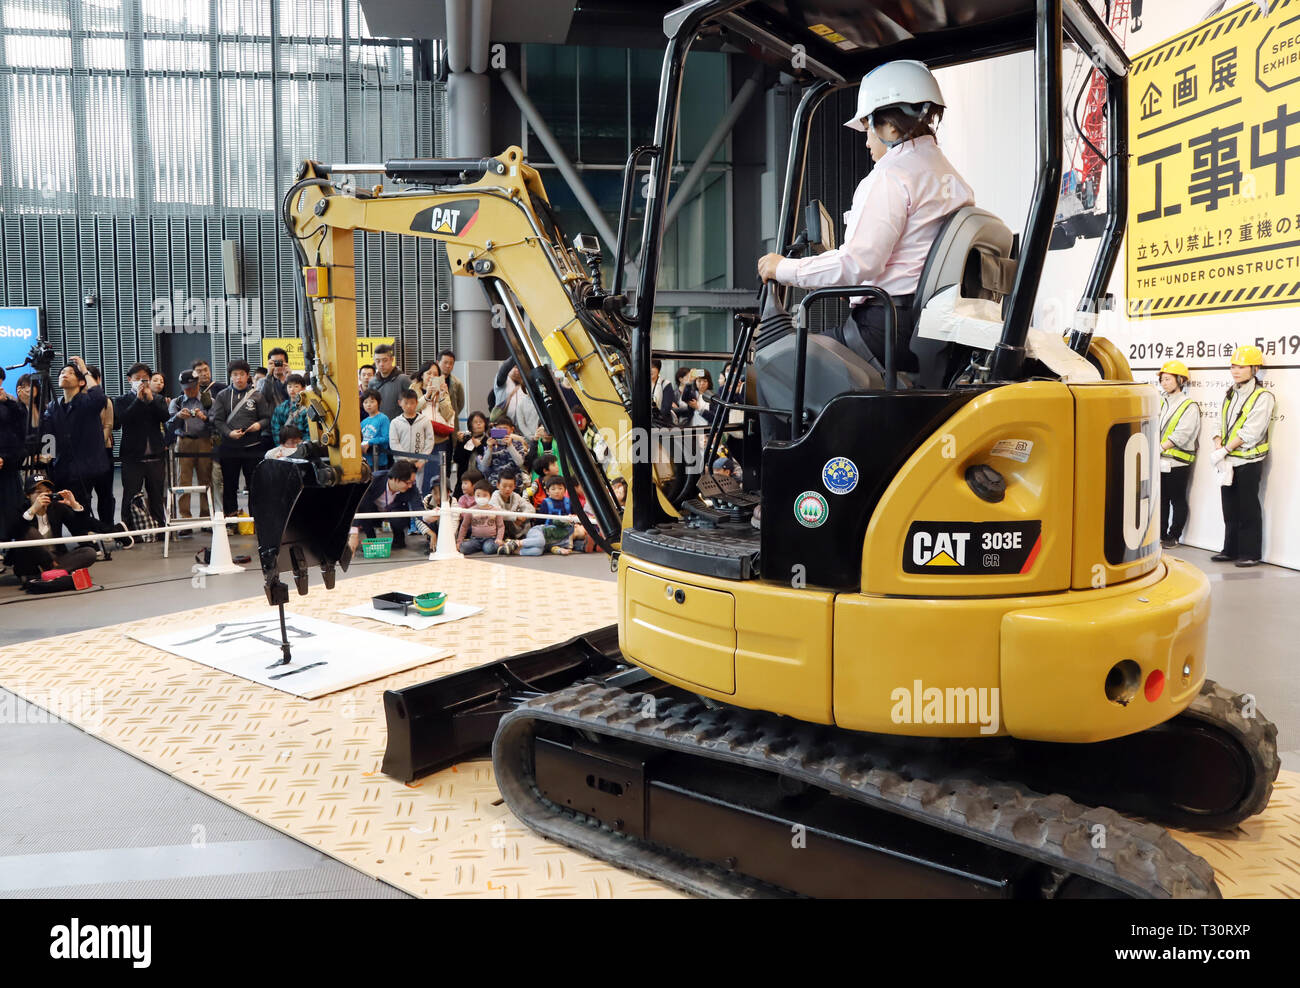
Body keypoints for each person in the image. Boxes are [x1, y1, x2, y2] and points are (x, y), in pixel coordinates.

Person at [758, 60, 974, 386]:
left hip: (885, 331)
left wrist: (782, 269)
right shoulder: (954, 182)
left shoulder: (891, 177)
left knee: (773, 368)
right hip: (929, 333)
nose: (866, 141)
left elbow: (859, 264)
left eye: (869, 128)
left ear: (889, 127)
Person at [1210, 345, 1275, 567]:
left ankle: (1250, 553)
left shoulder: (1262, 396)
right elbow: (1220, 421)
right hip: (1227, 461)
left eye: (1241, 366)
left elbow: (1251, 431)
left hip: (1249, 461)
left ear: (1254, 369)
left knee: (1248, 507)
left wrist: (1225, 449)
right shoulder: (1231, 392)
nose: (1235, 370)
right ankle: (1231, 550)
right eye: (1233, 366)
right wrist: (1218, 441)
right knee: (1229, 507)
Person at [39, 357, 111, 520]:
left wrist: (84, 369)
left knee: (81, 508)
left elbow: (99, 398)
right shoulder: (53, 406)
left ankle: (94, 537)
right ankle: (91, 535)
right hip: (64, 466)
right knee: (63, 508)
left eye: (71, 373)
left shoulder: (87, 402)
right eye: (62, 372)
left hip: (88, 465)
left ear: (81, 382)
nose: (64, 374)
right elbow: (48, 433)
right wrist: (46, 455)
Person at [8, 474, 99, 585]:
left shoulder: (57, 507)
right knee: (30, 532)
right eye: (38, 492)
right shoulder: (20, 510)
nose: (44, 495)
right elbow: (14, 532)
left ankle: (48, 574)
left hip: (57, 558)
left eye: (47, 491)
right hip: (31, 562)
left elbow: (80, 530)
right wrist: (32, 510)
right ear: (27, 495)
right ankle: (56, 571)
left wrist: (74, 505)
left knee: (89, 552)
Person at [210, 359, 272, 518]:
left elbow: (266, 418)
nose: (238, 378)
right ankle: (231, 518)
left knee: (254, 485)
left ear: (247, 376)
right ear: (231, 376)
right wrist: (229, 433)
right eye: (235, 374)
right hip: (229, 447)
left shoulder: (257, 395)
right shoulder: (222, 395)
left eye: (242, 374)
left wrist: (258, 426)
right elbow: (217, 420)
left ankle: (256, 519)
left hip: (253, 446)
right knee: (229, 484)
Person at [114, 362, 170, 531]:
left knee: (156, 494)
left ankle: (160, 529)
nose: (142, 382)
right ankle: (130, 530)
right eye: (138, 379)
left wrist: (151, 400)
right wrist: (138, 400)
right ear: (129, 380)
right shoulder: (122, 400)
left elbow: (165, 417)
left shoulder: (158, 399)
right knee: (130, 494)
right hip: (132, 457)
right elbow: (121, 420)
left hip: (155, 455)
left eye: (145, 379)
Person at [1156, 360, 1199, 549]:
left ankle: (1174, 536)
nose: (1164, 383)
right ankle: (1160, 534)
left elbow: (1183, 433)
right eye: (1162, 380)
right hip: (1160, 461)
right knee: (1161, 500)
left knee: (1177, 500)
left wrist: (1161, 447)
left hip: (1179, 462)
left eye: (1168, 379)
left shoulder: (1189, 405)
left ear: (1180, 380)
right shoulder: (1161, 402)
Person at [167, 370, 215, 522]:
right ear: (181, 387)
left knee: (206, 479)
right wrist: (178, 416)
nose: (190, 390)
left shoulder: (209, 401)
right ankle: (185, 518)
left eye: (193, 387)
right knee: (183, 480)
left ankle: (206, 516)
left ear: (198, 384)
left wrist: (205, 418)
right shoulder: (177, 402)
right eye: (186, 388)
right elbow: (168, 425)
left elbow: (216, 422)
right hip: (184, 442)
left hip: (204, 441)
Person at [348, 460, 419, 552]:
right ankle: (371, 539)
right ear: (395, 479)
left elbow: (419, 508)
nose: (410, 486)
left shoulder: (411, 488)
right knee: (364, 506)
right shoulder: (372, 480)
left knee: (397, 516)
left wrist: (431, 530)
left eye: (412, 483)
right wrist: (354, 534)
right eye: (408, 482)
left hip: (394, 513)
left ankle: (399, 539)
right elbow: (356, 504)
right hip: (373, 512)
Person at [390, 387, 436, 496]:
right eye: (406, 403)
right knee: (399, 489)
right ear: (399, 403)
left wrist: (422, 460)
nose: (409, 406)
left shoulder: (424, 421)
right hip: (401, 463)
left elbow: (430, 441)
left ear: (417, 403)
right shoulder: (395, 422)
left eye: (412, 403)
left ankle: (416, 511)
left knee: (417, 489)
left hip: (419, 463)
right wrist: (405, 460)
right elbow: (394, 443)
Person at [0, 367, 25, 544]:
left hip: (8, 463)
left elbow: (20, 429)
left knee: (10, 506)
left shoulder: (8, 402)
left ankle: (7, 542)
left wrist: (8, 401)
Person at [477, 412, 529, 486]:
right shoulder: (490, 443)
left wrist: (510, 445)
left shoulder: (517, 443)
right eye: (499, 429)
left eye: (505, 428)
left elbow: (520, 463)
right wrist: (490, 448)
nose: (501, 431)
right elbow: (485, 466)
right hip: (495, 483)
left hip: (515, 483)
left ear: (512, 429)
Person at [457, 478, 504, 555]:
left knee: (489, 549)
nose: (481, 498)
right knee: (463, 548)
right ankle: (481, 547)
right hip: (475, 539)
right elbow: (464, 526)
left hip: (490, 539)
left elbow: (501, 526)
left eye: (485, 495)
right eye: (478, 495)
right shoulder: (471, 510)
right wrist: (459, 541)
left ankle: (496, 545)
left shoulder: (496, 510)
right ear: (474, 495)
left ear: (490, 496)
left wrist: (499, 539)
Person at [490, 468, 532, 548]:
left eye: (510, 486)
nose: (507, 489)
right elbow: (497, 511)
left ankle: (518, 541)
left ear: (514, 486)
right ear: (498, 485)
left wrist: (523, 516)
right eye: (504, 486)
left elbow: (530, 508)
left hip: (515, 530)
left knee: (527, 520)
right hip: (498, 531)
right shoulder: (495, 495)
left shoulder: (516, 496)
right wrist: (515, 517)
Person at [369, 344, 411, 419]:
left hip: (399, 425)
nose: (381, 364)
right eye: (378, 361)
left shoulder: (403, 380)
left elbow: (412, 404)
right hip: (378, 425)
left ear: (392, 359)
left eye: (385, 360)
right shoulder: (372, 382)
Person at [271, 373, 310, 445]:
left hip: (302, 446)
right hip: (284, 446)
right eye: (289, 386)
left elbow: (309, 433)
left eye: (296, 386)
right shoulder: (280, 408)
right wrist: (281, 446)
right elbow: (276, 431)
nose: (292, 389)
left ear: (303, 388)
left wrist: (302, 447)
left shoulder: (307, 409)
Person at [360, 390, 391, 471]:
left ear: (379, 402)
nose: (368, 405)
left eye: (372, 402)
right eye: (365, 402)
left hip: (379, 463)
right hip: (365, 462)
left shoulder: (383, 418)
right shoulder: (363, 422)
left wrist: (370, 442)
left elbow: (387, 438)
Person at [454, 410, 490, 480]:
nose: (479, 424)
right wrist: (460, 442)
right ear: (470, 424)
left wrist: (479, 446)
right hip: (464, 478)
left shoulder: (488, 441)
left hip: (481, 480)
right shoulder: (465, 439)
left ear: (485, 424)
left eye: (481, 422)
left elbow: (488, 460)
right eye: (475, 422)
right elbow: (457, 459)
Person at [438, 349, 465, 426]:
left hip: (451, 422)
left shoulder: (457, 383)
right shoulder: (432, 380)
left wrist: (451, 413)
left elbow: (460, 404)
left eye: (451, 363)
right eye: (445, 362)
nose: (448, 366)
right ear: (438, 362)